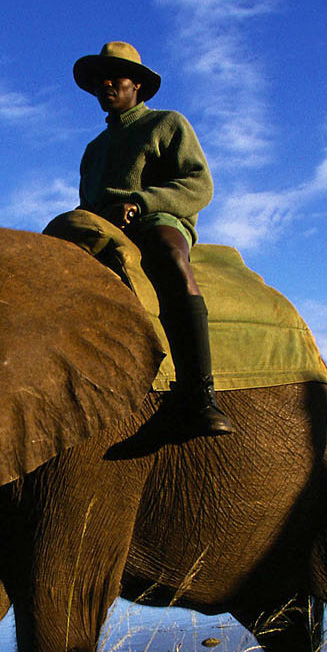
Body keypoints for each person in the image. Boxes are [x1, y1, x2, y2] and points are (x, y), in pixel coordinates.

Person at [73, 41, 234, 437]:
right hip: (103, 230)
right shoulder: (93, 151)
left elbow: (199, 184)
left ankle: (201, 395)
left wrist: (141, 203)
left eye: (115, 78)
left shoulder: (166, 124)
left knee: (169, 257)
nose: (105, 85)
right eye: (99, 80)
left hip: (156, 219)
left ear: (137, 87)